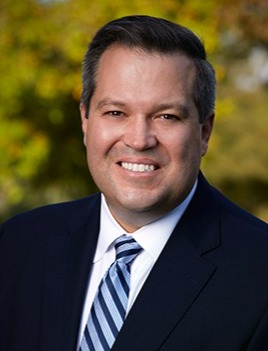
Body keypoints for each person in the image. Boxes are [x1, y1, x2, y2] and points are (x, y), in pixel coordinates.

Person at [0, 15, 268, 351]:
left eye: (167, 116)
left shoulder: (260, 274)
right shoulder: (18, 245)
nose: (139, 140)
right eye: (115, 113)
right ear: (85, 120)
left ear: (204, 132)